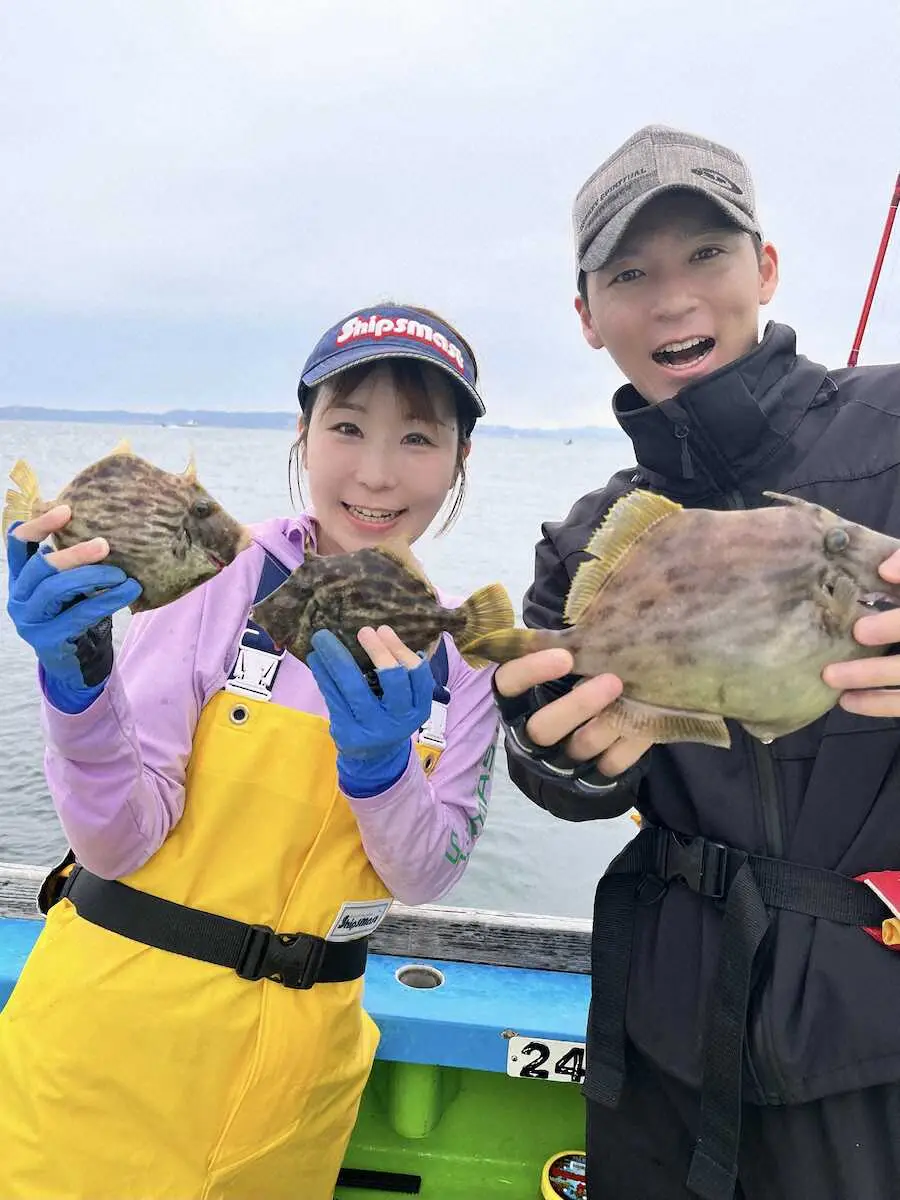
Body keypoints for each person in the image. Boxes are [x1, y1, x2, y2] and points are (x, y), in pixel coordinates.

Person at [0, 303, 501, 1199]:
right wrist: (77, 685)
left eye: (419, 439)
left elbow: (427, 873)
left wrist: (382, 772)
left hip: (297, 1097)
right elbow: (119, 843)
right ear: (303, 435)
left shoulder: (461, 652)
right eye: (347, 427)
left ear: (461, 459)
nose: (378, 474)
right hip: (106, 1061)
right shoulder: (220, 579)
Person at [493, 125, 900, 1200]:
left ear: (766, 266)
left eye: (707, 257)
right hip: (662, 1025)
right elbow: (567, 773)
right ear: (587, 317)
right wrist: (565, 758)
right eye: (632, 272)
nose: (674, 299)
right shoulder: (587, 537)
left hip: (878, 1032)